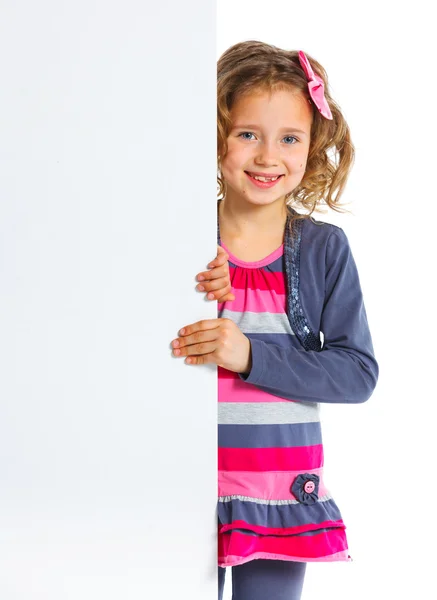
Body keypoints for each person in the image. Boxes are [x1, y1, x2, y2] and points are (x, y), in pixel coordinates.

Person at [170, 40, 379, 600]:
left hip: (276, 493)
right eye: (247, 134)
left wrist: (251, 355)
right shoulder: (176, 238)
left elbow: (356, 373)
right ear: (215, 136)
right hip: (175, 485)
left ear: (312, 149)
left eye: (289, 138)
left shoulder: (323, 250)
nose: (267, 156)